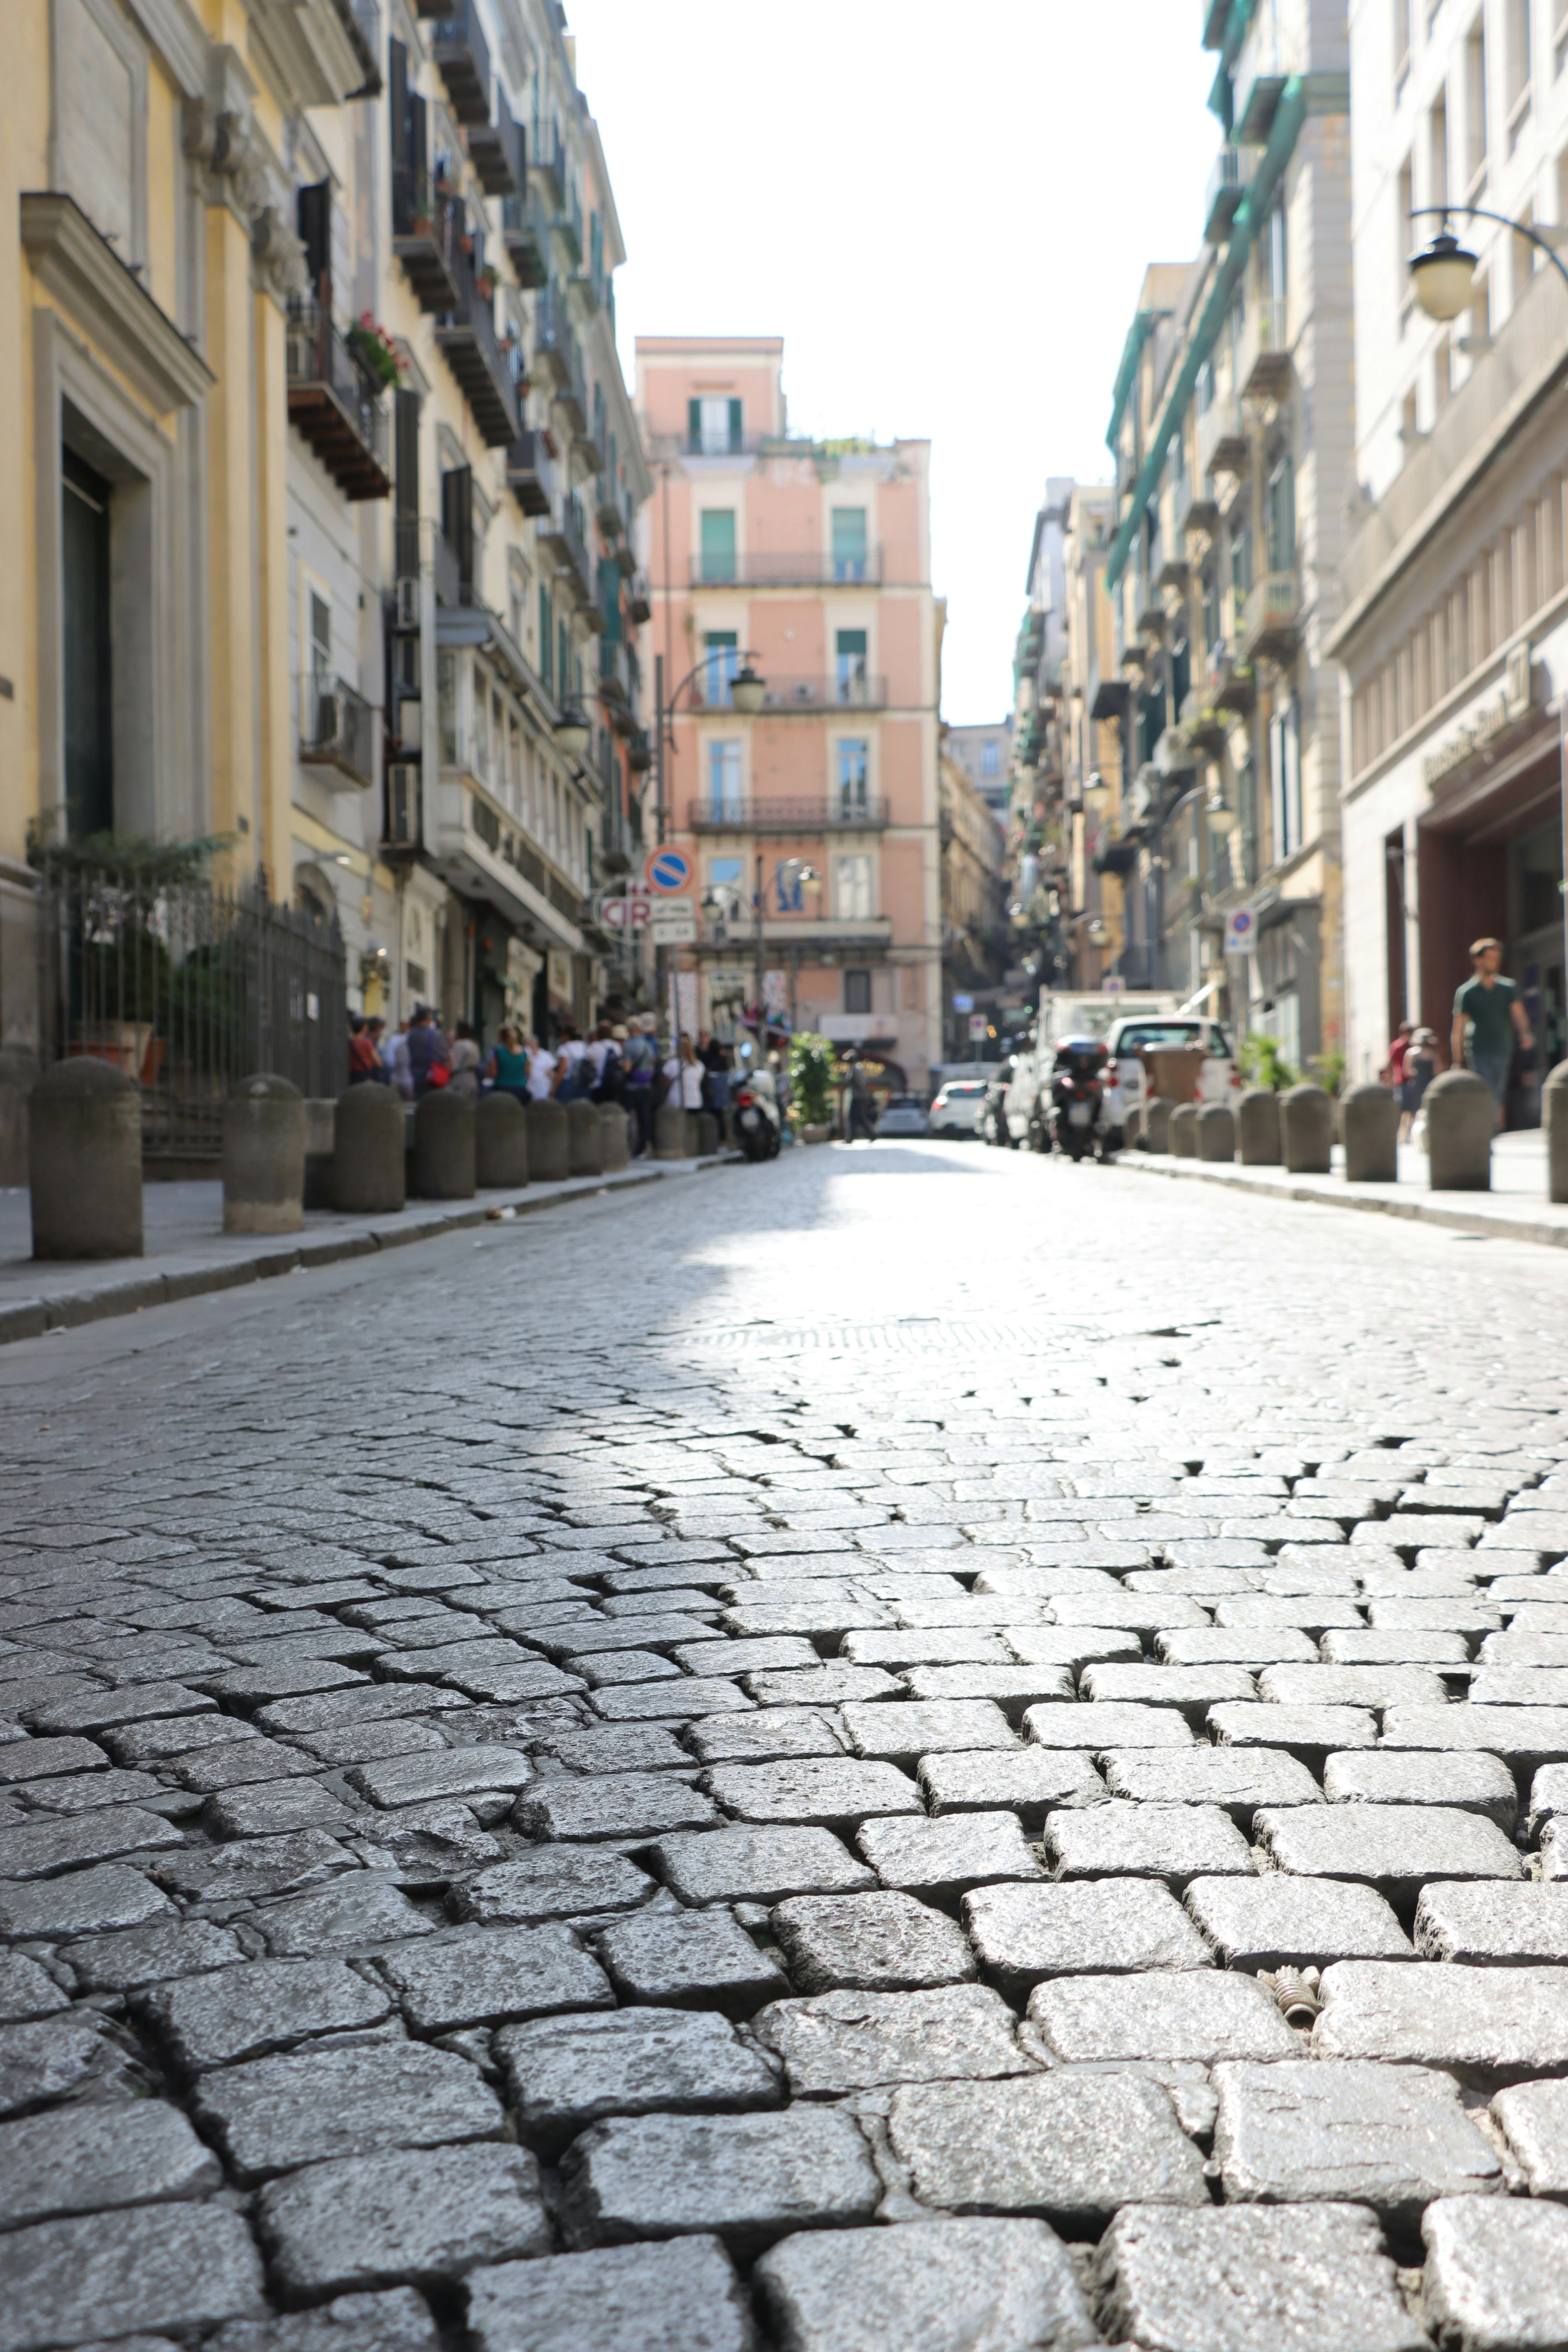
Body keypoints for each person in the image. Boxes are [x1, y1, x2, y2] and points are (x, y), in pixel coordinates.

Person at [1451, 937, 1534, 1130]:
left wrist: (1525, 1033)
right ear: (1478, 961)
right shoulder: (1466, 992)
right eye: (1490, 958)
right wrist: (1457, 1059)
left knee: (1498, 1091)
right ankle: (1489, 1130)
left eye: (1497, 958)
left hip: (1503, 1047)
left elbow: (1519, 1014)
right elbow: (1458, 1029)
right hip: (1478, 1049)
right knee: (1486, 1089)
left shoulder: (1508, 987)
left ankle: (1493, 1129)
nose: (1495, 962)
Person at [622, 1014, 658, 1156]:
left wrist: (621, 1065)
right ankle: (642, 1147)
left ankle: (626, 1145)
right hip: (646, 1086)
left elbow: (627, 1068)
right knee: (644, 1118)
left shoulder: (629, 1045)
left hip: (632, 1086)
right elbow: (651, 1067)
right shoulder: (648, 1045)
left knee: (626, 1116)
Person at [1399, 1026, 1438, 1143]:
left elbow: (1407, 1071)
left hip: (1417, 1084)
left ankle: (1408, 1137)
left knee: (1412, 1112)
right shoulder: (1433, 1054)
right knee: (1424, 1110)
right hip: (1429, 1084)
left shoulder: (1411, 1053)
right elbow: (1438, 1071)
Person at [405, 1004, 450, 1100]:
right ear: (430, 1018)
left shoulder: (411, 1036)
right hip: (433, 1078)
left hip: (416, 1078)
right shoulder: (435, 1036)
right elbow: (447, 1058)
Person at [487, 1023, 531, 1102]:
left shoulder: (498, 1051)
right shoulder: (524, 1052)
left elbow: (493, 1073)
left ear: (500, 1037)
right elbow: (528, 1072)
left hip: (503, 1089)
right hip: (521, 1090)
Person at [663, 1033, 705, 1114]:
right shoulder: (699, 1066)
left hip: (676, 1101)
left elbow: (666, 1084)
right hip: (695, 1102)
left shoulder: (671, 1064)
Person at [448, 1020, 482, 1102]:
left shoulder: (459, 1044)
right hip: (473, 1078)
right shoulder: (474, 1044)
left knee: (459, 1104)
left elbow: (455, 1065)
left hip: (461, 1078)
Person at [381, 1018, 413, 1100]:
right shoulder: (394, 1040)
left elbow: (389, 1060)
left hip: (402, 1079)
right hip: (399, 1079)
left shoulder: (396, 1040)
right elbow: (389, 1060)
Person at [347, 1016, 381, 1085]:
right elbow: (378, 1062)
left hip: (352, 1075)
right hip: (365, 1075)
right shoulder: (366, 1042)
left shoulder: (349, 1042)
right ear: (364, 1028)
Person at [1381, 1019, 1413, 1091]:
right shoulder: (1397, 1047)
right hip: (1401, 1081)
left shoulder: (1412, 1046)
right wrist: (1390, 1081)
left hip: (1411, 1081)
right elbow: (1389, 1065)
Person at [526, 1032, 558, 1101]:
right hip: (529, 1091)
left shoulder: (546, 1056)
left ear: (535, 1044)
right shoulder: (525, 1056)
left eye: (530, 1045)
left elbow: (554, 1071)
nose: (528, 1047)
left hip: (544, 1091)